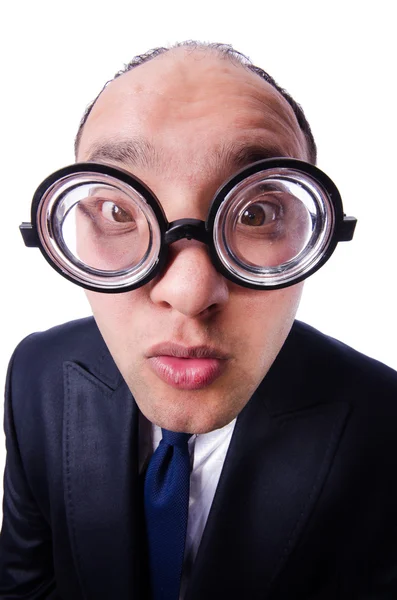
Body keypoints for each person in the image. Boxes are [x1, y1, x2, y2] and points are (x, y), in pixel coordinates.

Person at [1, 41, 396, 600]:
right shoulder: (34, 377)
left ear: (316, 233)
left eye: (256, 214)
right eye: (119, 212)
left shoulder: (385, 421)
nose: (188, 292)